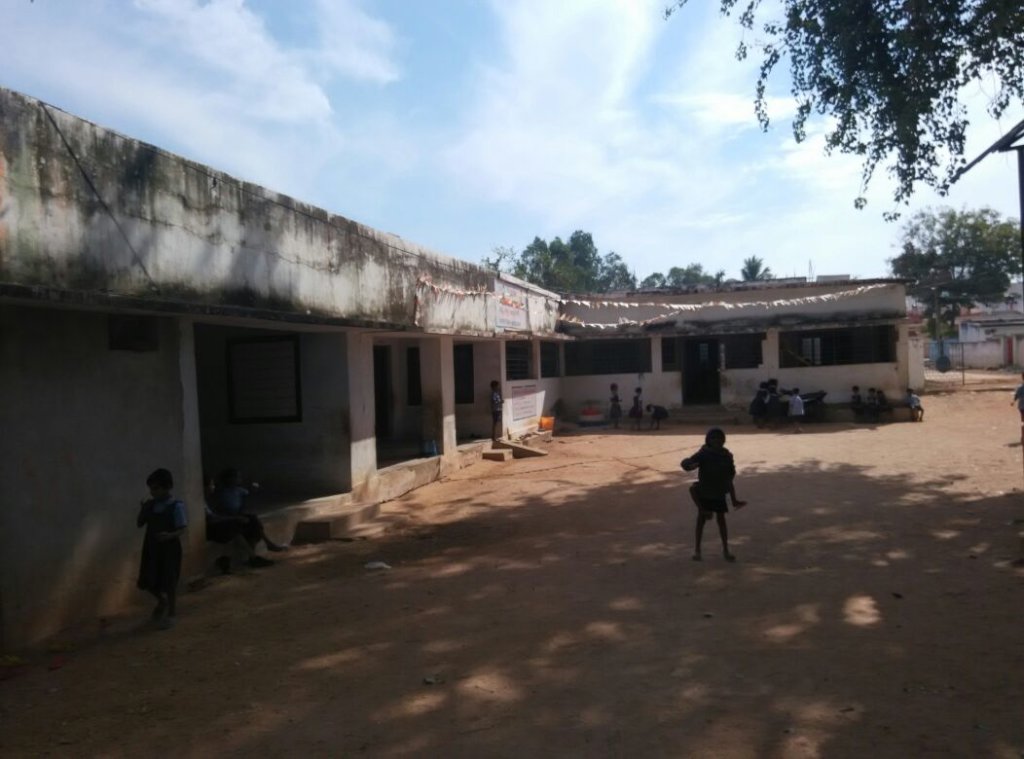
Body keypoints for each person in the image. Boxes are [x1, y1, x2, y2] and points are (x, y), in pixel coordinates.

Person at [681, 428, 746, 562]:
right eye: (713, 438)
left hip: (719, 492)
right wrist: (689, 465)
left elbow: (731, 472)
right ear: (708, 440)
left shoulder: (727, 455)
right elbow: (687, 462)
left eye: (719, 438)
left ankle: (726, 550)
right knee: (701, 521)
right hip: (706, 491)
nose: (717, 440)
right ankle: (697, 550)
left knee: (721, 521)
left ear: (724, 440)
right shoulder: (703, 454)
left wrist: (726, 479)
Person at [207, 467, 286, 573]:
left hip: (235, 516)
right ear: (229, 479)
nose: (239, 479)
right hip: (225, 519)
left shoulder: (239, 491)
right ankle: (254, 556)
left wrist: (253, 491)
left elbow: (250, 496)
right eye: (236, 477)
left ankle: (262, 548)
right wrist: (235, 517)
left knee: (253, 521)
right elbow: (216, 514)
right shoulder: (221, 493)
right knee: (237, 527)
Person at [136, 468, 187, 630]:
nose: (153, 492)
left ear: (168, 487)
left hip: (169, 549)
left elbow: (182, 529)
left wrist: (169, 535)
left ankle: (171, 613)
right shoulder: (151, 506)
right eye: (151, 489)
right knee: (147, 580)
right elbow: (139, 523)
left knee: (169, 581)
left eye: (156, 488)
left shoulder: (176, 506)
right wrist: (143, 509)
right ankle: (161, 600)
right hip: (151, 548)